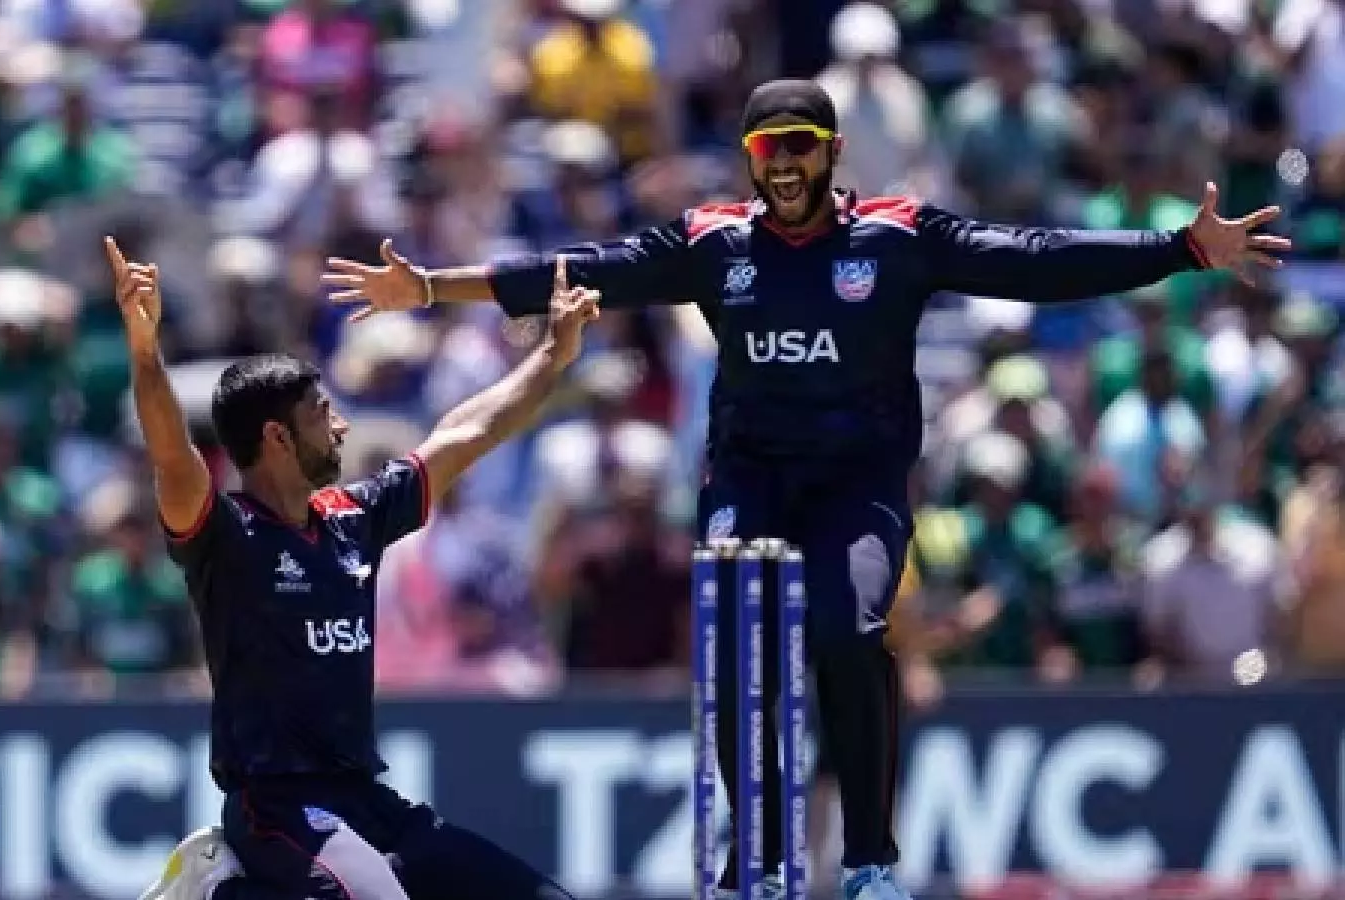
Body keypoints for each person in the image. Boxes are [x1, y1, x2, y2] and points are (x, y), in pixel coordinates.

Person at [319, 79, 1292, 900]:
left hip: (858, 486)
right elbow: (586, 271)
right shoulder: (715, 244)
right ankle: (761, 858)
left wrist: (1181, 248)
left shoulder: (898, 237)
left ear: (831, 151)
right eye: (766, 149)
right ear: (748, 159)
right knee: (736, 633)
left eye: (800, 146)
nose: (783, 166)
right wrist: (432, 287)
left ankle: (869, 865)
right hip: (752, 478)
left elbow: (1032, 261)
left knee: (846, 629)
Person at [111, 235, 599, 900]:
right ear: (277, 438)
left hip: (368, 800)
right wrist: (145, 350)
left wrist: (550, 357)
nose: (341, 427)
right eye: (322, 414)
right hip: (277, 809)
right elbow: (172, 456)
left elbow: (465, 434)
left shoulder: (353, 518)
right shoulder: (225, 536)